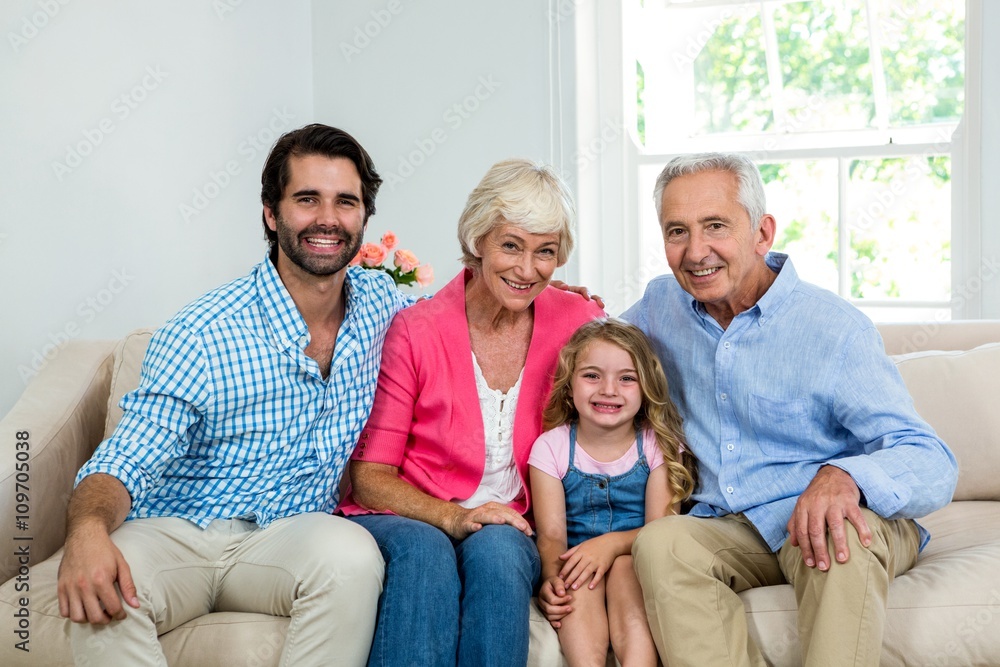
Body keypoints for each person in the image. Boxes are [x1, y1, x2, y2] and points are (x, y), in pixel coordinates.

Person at [56, 124, 414, 666]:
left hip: (289, 537)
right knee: (105, 591)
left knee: (352, 556)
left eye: (346, 202)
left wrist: (551, 301)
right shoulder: (203, 331)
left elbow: (458, 326)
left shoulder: (381, 304)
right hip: (177, 531)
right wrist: (85, 529)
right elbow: (125, 459)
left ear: (364, 217)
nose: (327, 219)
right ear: (271, 213)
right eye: (307, 199)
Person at [622, 152, 959, 666]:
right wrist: (560, 303)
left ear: (762, 233)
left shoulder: (834, 329)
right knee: (661, 544)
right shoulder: (658, 307)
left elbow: (933, 460)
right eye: (676, 232)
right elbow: (588, 347)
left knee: (837, 533)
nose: (696, 252)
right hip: (728, 525)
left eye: (716, 226)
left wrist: (844, 475)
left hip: (827, 517)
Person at [337, 158, 605, 667]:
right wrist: (454, 517)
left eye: (545, 252)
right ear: (478, 239)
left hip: (513, 519)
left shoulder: (578, 321)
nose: (527, 270)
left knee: (501, 554)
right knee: (425, 555)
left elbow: (632, 375)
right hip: (410, 511)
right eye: (511, 245)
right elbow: (370, 476)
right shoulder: (417, 330)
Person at [529, 318, 695, 667]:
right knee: (575, 578)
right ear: (569, 384)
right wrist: (550, 580)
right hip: (576, 561)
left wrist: (610, 546)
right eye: (592, 375)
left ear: (646, 386)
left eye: (626, 378)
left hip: (637, 558)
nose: (608, 389)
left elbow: (659, 530)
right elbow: (552, 535)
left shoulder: (657, 445)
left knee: (624, 570)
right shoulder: (551, 448)